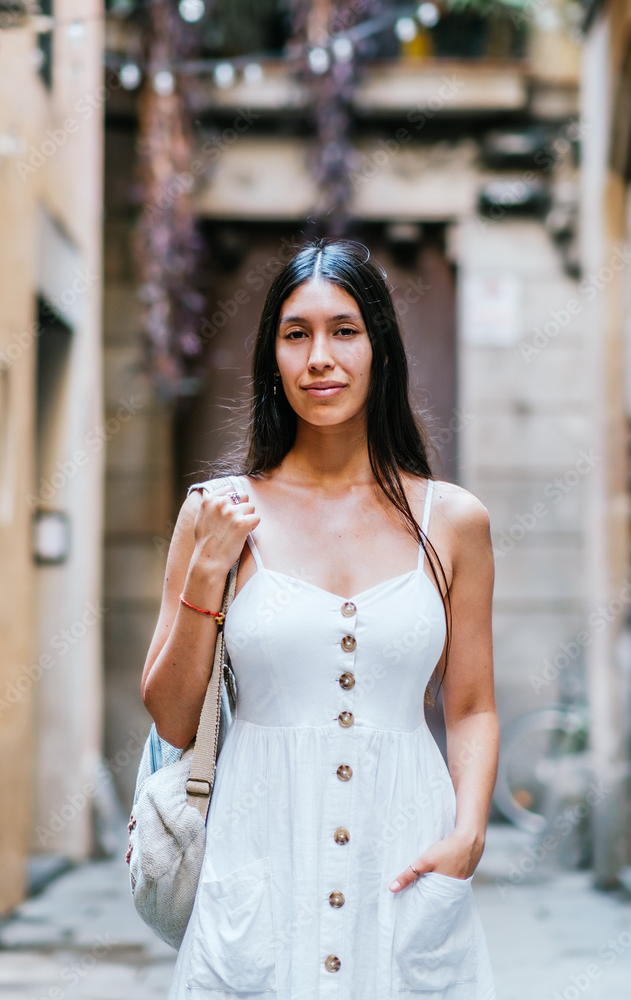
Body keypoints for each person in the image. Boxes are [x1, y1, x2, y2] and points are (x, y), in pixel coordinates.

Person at [141, 238, 499, 1000]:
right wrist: (209, 568)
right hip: (260, 848)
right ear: (272, 355)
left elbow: (470, 705)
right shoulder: (216, 514)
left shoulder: (454, 521)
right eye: (295, 333)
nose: (319, 357)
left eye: (344, 330)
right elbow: (172, 718)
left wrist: (468, 833)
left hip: (404, 851)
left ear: (379, 349)